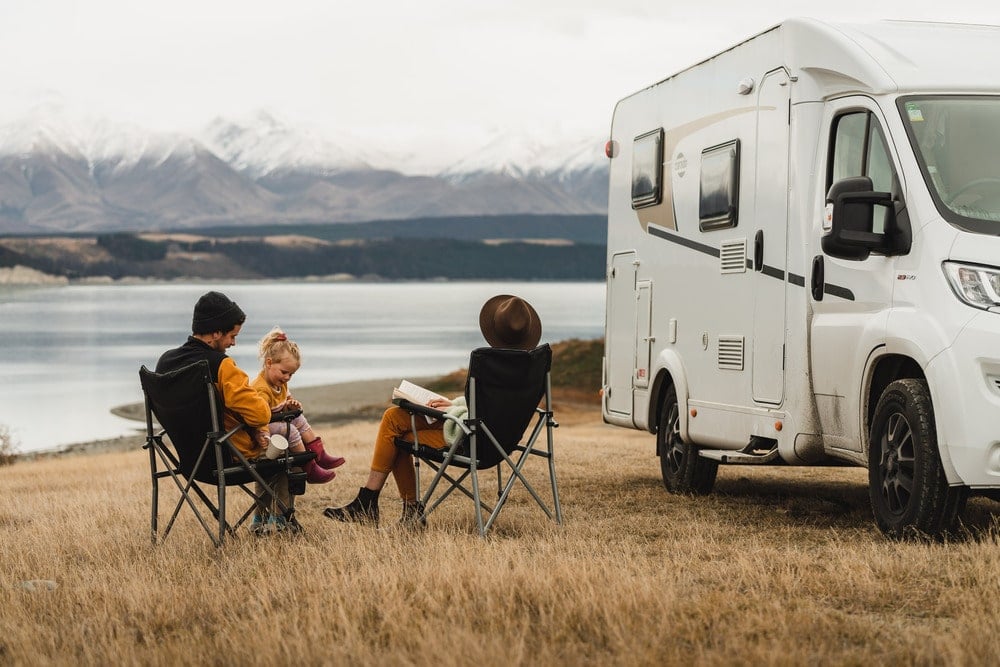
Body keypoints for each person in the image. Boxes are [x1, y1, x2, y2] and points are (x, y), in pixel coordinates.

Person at [323, 294, 542, 528]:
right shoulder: (532, 366)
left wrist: (453, 411)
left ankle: (387, 507)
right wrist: (453, 405)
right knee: (394, 417)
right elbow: (494, 409)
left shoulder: (489, 363)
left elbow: (484, 412)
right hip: (498, 441)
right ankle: (374, 503)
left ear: (494, 329)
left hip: (472, 440)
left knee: (396, 434)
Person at [155, 290, 299, 535]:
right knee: (284, 455)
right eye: (232, 336)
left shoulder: (165, 362)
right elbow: (260, 415)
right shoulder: (220, 365)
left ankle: (262, 522)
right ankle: (280, 523)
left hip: (187, 462)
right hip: (227, 457)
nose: (233, 343)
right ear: (216, 332)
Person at [252, 326, 344, 485]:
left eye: (291, 374)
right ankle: (309, 467)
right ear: (269, 363)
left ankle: (319, 455)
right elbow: (259, 418)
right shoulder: (261, 389)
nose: (287, 377)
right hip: (263, 431)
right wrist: (263, 436)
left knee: (299, 419)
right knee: (290, 430)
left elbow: (283, 403)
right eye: (284, 372)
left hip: (275, 421)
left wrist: (290, 406)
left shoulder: (279, 383)